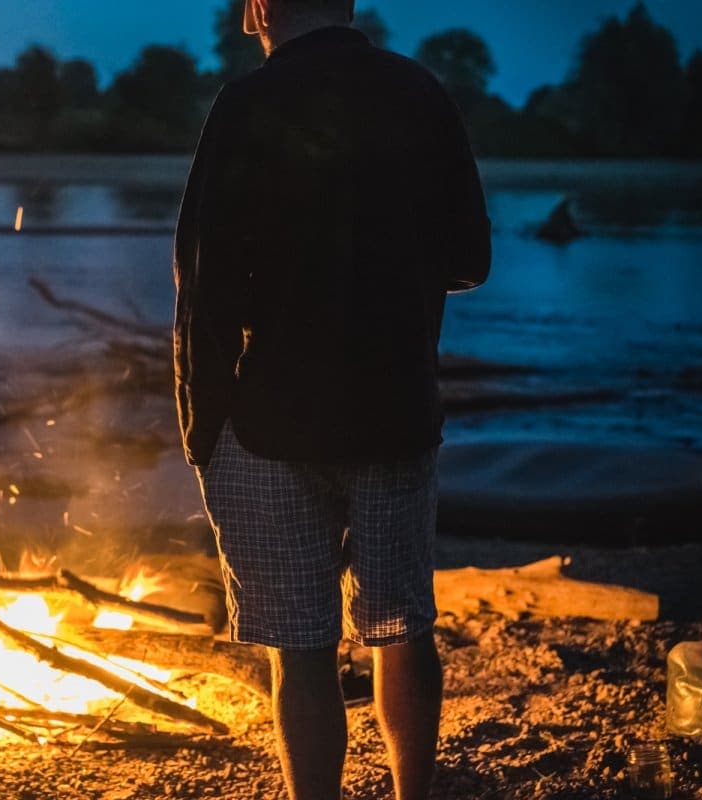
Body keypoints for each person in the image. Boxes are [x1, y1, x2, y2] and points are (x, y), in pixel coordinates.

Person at [172, 1, 491, 798]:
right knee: (402, 627)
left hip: (272, 418)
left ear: (258, 11)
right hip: (395, 410)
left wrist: (201, 425)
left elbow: (203, 278)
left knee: (301, 651)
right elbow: (471, 257)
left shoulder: (246, 106)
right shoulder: (419, 92)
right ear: (347, 4)